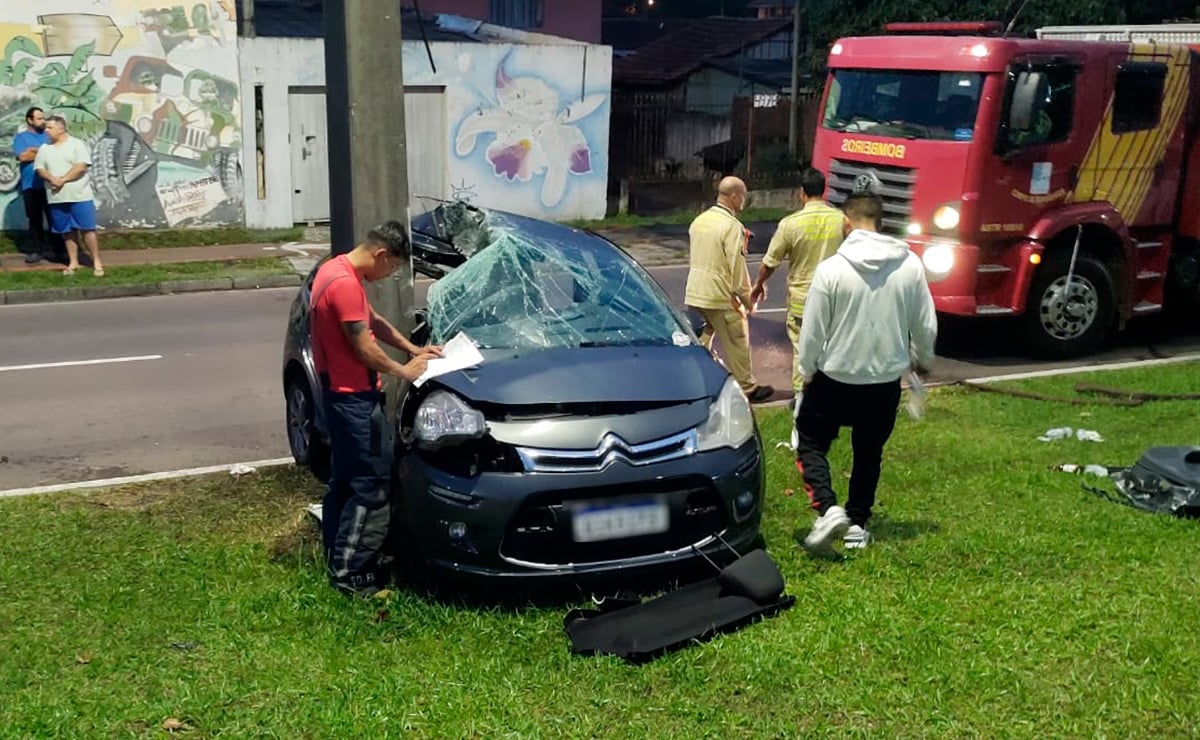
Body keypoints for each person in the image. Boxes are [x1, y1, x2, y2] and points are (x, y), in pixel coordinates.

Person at [794, 192, 937, 553]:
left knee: (810, 441)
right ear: (882, 222)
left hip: (835, 377)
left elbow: (812, 330)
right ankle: (857, 523)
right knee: (869, 452)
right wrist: (924, 361)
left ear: (847, 222)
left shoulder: (832, 270)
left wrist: (806, 370)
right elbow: (925, 325)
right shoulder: (909, 265)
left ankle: (828, 509)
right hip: (884, 381)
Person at [310, 222, 442, 597]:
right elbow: (363, 346)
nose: (390, 276)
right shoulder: (344, 284)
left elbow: (373, 323)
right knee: (371, 489)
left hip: (339, 398)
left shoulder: (332, 271)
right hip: (354, 401)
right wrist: (405, 370)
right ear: (382, 255)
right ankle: (354, 576)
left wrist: (413, 349)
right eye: (394, 268)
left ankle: (337, 559)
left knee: (345, 482)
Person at [749, 168, 845, 394]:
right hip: (835, 299)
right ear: (824, 191)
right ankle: (831, 393)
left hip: (803, 301)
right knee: (832, 347)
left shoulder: (790, 224)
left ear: (801, 193)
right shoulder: (841, 220)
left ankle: (802, 397)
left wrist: (759, 284)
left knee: (802, 349)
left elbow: (770, 262)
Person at [685, 176, 774, 403]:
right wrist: (747, 299)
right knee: (737, 335)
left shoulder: (699, 221)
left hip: (695, 291)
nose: (744, 201)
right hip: (719, 294)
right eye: (743, 196)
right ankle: (748, 387)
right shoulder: (732, 226)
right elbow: (736, 268)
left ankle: (696, 379)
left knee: (705, 336)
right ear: (734, 197)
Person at [34, 115, 103, 277]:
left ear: (61, 128)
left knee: (88, 230)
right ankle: (73, 261)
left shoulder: (76, 144)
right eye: (45, 128)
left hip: (79, 195)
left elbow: (81, 166)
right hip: (57, 197)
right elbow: (40, 169)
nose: (46, 131)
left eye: (49, 127)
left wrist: (63, 179)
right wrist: (52, 179)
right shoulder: (45, 148)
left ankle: (96, 261)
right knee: (67, 231)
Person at [13, 107, 65, 265]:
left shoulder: (48, 136)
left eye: (44, 118)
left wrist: (35, 152)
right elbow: (22, 156)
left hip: (50, 185)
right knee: (34, 220)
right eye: (39, 118)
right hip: (31, 186)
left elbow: (56, 152)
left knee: (54, 219)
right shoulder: (21, 138)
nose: (43, 121)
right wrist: (42, 152)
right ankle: (36, 250)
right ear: (30, 120)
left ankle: (59, 250)